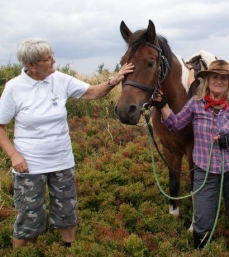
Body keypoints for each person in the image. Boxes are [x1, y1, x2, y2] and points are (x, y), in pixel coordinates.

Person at [0, 38, 134, 248]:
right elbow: (0, 126)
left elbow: (92, 92)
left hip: (62, 161)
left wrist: (114, 80)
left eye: (52, 54)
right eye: (48, 58)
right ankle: (20, 252)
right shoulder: (14, 88)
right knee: (29, 217)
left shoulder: (60, 79)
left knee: (66, 212)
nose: (54, 60)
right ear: (31, 65)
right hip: (29, 165)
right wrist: (13, 155)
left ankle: (68, 249)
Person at [152, 60, 229, 249]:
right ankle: (201, 250)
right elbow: (175, 124)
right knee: (202, 217)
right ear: (206, 80)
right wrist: (163, 106)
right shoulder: (195, 104)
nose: (219, 81)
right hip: (204, 170)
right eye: (214, 77)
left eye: (224, 78)